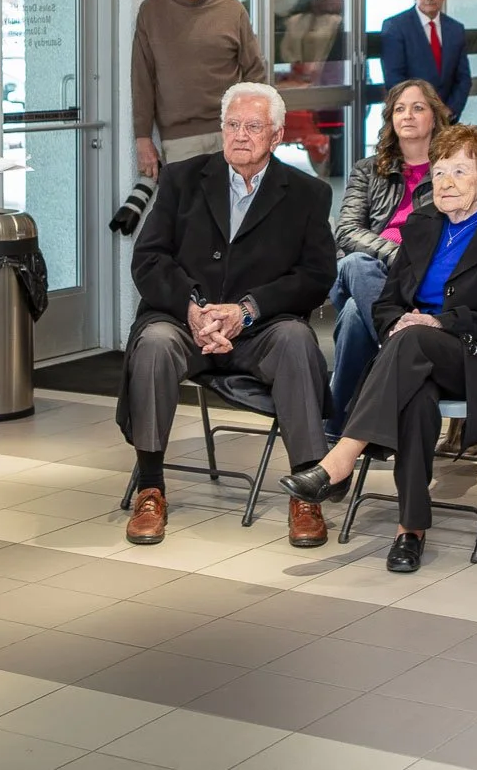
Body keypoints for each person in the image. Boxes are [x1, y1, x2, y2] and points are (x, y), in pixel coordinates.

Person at [281, 126, 477, 574]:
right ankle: (410, 531)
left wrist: (439, 321)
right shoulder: (422, 224)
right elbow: (387, 304)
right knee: (415, 396)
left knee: (414, 339)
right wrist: (398, 322)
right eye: (439, 171)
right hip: (416, 357)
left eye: (460, 170)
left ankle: (340, 457)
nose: (445, 181)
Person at [119, 83, 338, 550]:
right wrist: (192, 309)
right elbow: (149, 259)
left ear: (276, 135)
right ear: (221, 129)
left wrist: (247, 310)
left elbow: (316, 275)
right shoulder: (181, 179)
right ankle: (150, 488)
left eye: (253, 126)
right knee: (154, 344)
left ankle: (306, 492)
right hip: (184, 322)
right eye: (233, 125)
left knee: (298, 343)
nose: (240, 135)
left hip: (260, 329)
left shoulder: (306, 194)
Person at [326, 81, 450, 438]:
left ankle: (335, 430)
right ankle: (394, 340)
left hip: (416, 283)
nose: (407, 116)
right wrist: (395, 254)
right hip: (368, 273)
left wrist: (406, 265)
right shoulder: (368, 169)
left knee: (353, 315)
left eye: (417, 108)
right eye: (399, 109)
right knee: (354, 264)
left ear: (435, 116)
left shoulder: (449, 171)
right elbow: (346, 231)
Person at [132, 0, 268, 179]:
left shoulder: (231, 8)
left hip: (232, 133)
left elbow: (255, 72)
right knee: (188, 214)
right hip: (180, 140)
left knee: (234, 213)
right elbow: (142, 79)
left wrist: (256, 128)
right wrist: (142, 138)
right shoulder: (152, 12)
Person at [379, 0, 471, 119]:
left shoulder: (455, 29)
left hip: (447, 120)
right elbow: (394, 78)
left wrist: (450, 109)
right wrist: (423, 110)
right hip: (411, 119)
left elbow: (463, 78)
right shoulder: (395, 27)